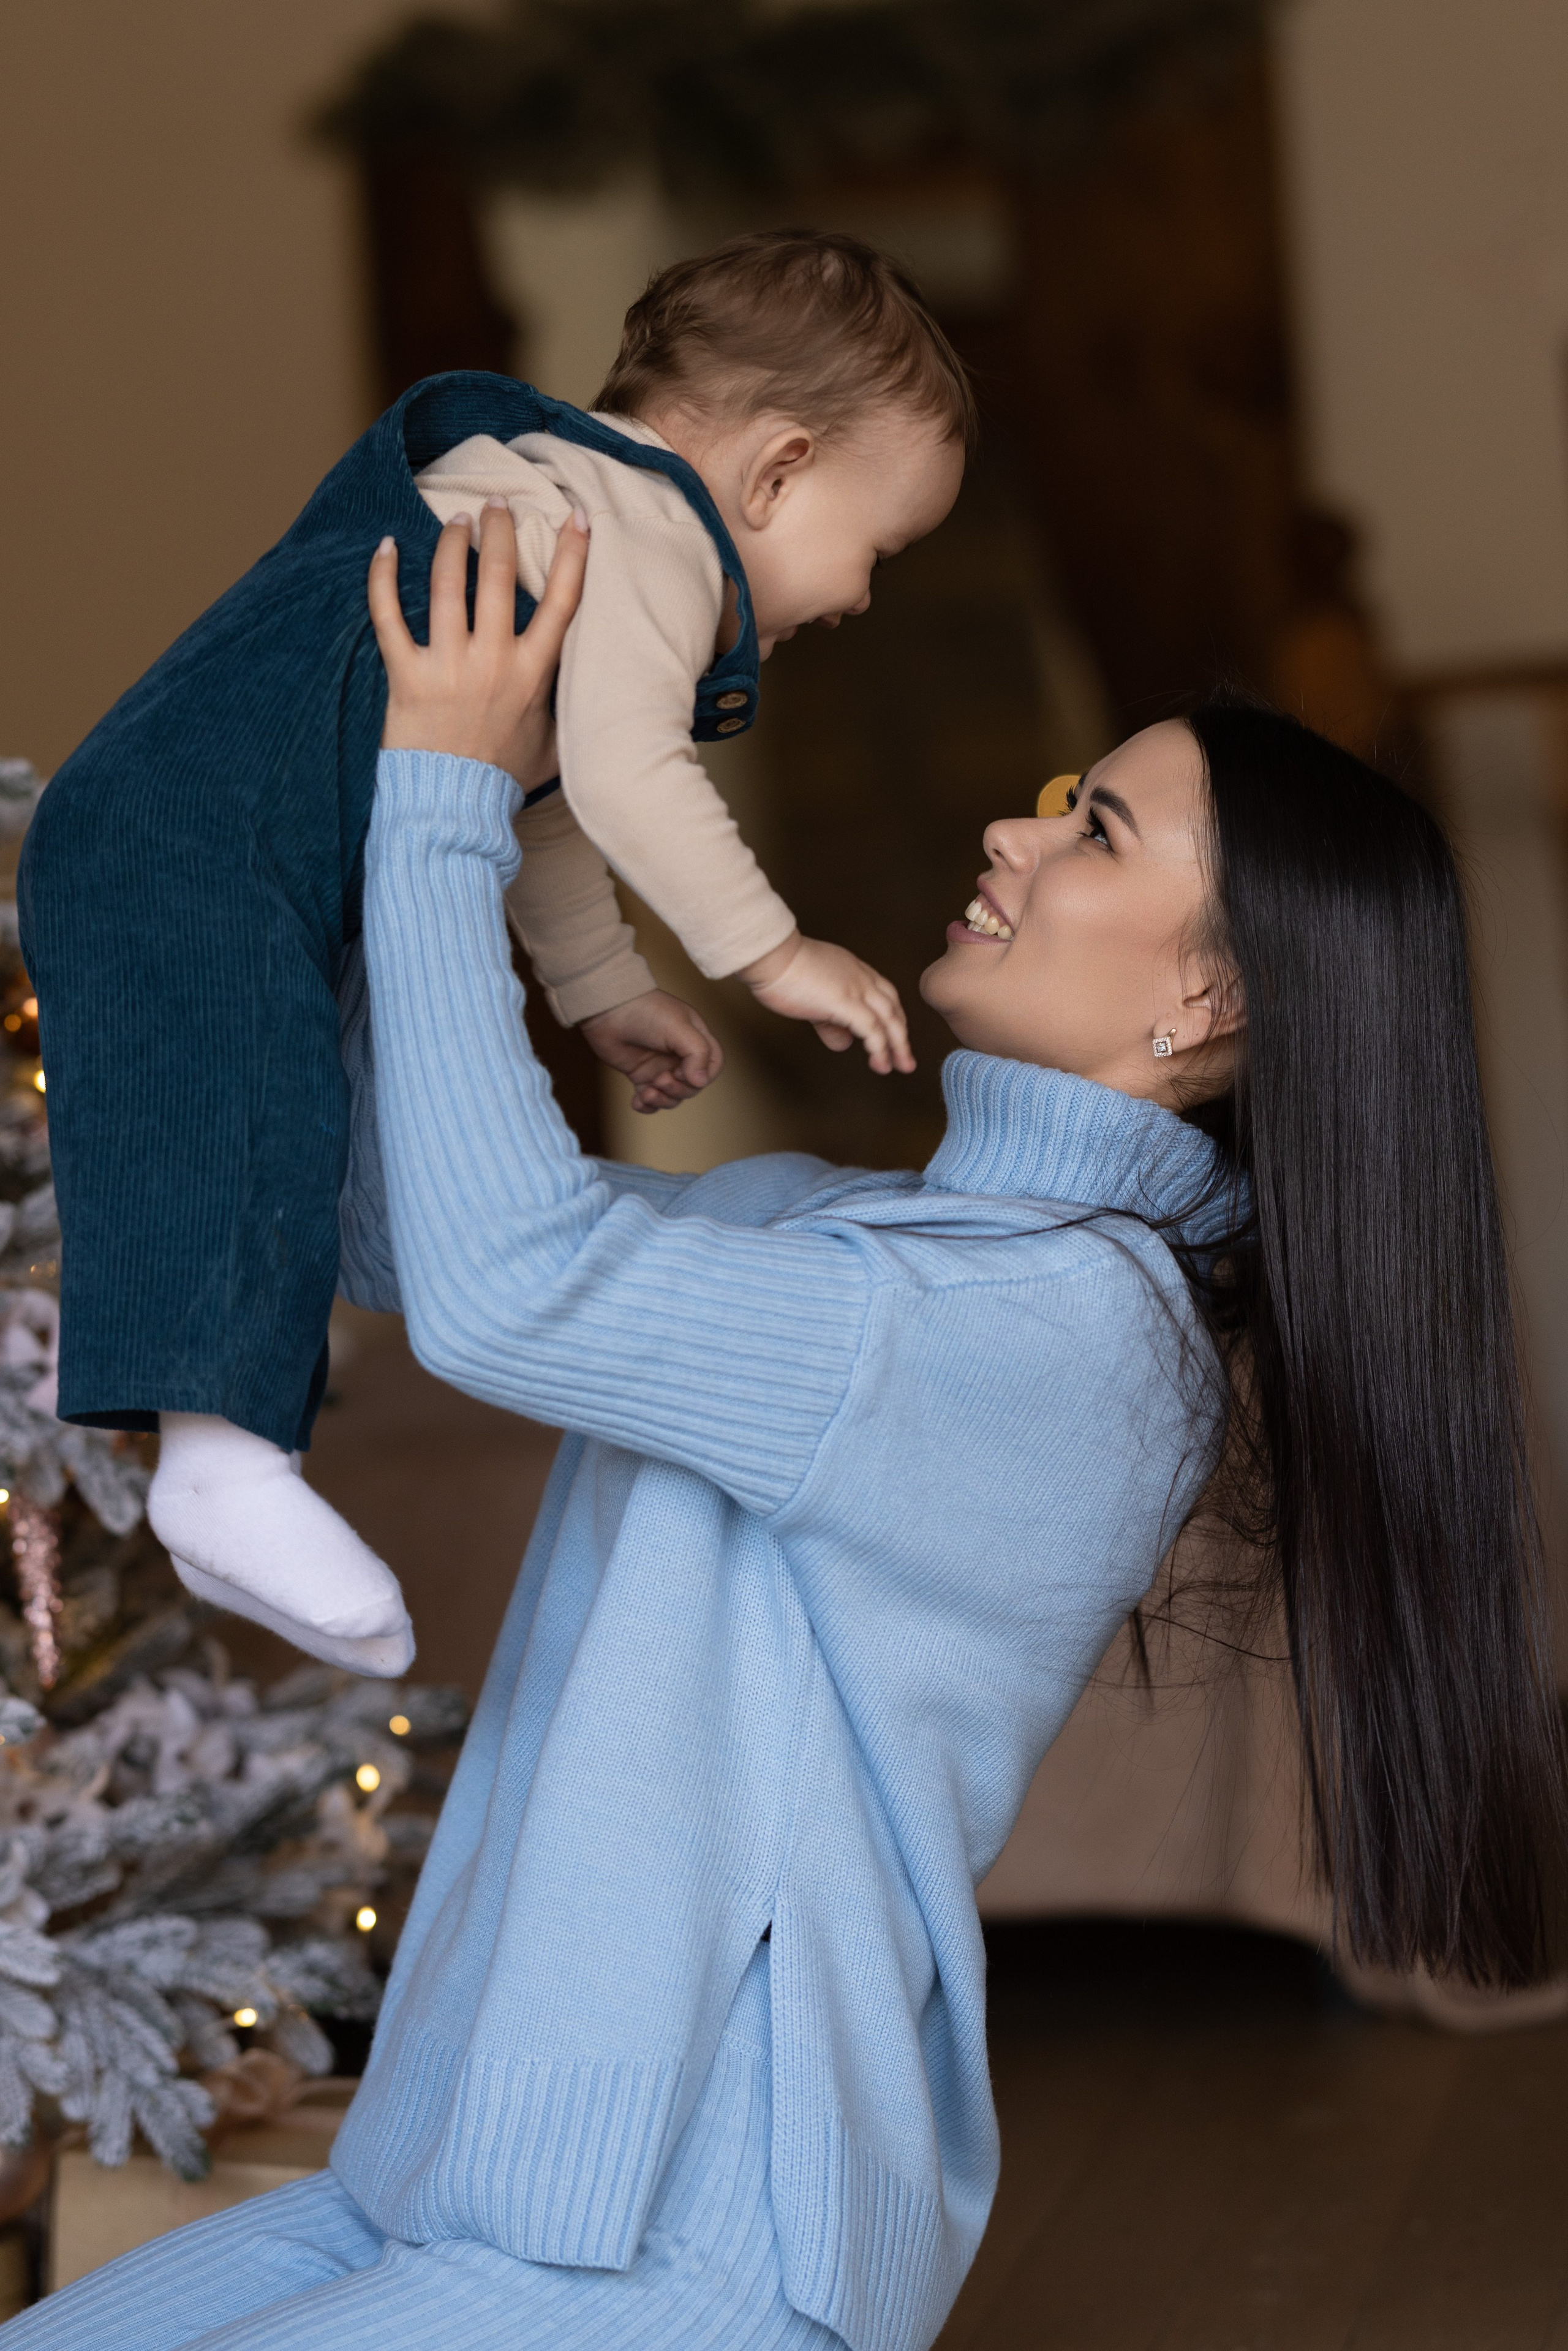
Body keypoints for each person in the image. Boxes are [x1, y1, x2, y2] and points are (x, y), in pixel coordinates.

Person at [10, 509, 1562, 2351]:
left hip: (682, 2240)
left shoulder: (1074, 1336)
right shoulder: (835, 1227)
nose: (1017, 824)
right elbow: (404, 1232)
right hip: (444, 2183)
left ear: (1208, 997)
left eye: (1098, 831)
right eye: (1067, 792)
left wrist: (442, 792)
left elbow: (519, 1287)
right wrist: (417, 822)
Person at [20, 231, 967, 1685]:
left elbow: (544, 793)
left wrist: (601, 986)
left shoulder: (566, 502)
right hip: (189, 829)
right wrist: (771, 957)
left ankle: (284, 1383)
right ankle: (220, 1461)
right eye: (876, 549)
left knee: (316, 1103)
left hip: (233, 837)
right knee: (246, 1093)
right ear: (776, 473)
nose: (856, 597)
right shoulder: (636, 534)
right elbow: (632, 773)